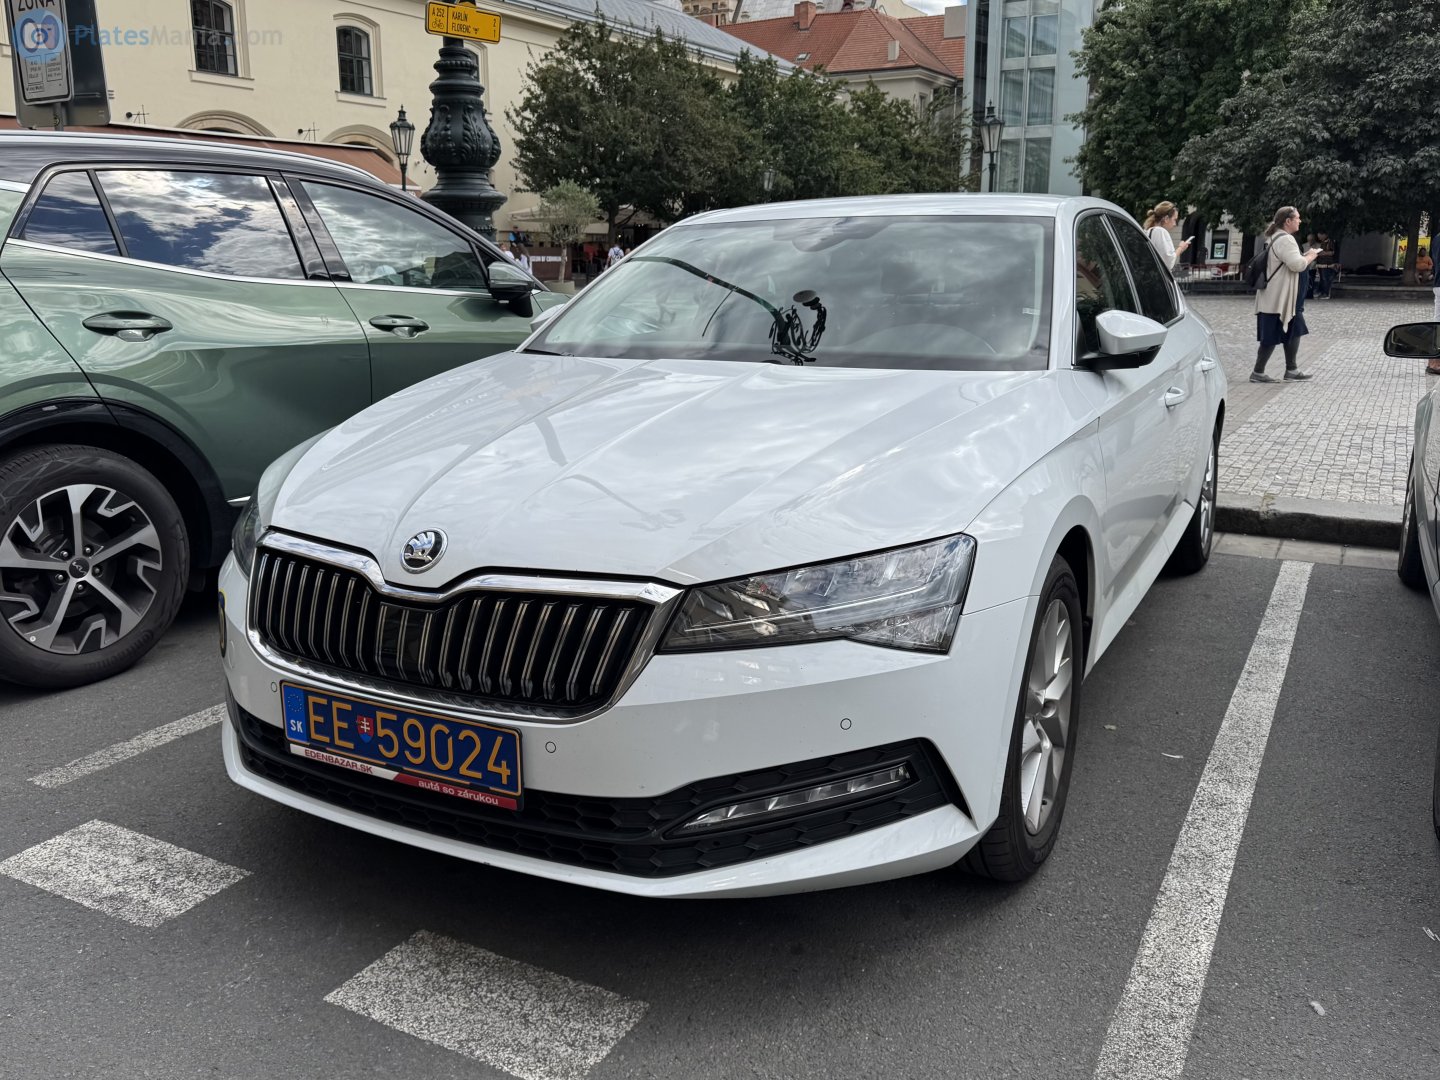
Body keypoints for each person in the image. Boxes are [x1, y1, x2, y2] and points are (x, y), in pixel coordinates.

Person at [1252, 205, 1321, 383]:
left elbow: (1289, 261)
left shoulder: (1275, 237)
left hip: (1279, 297)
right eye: (1297, 217)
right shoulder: (1286, 239)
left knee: (1292, 329)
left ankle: (1291, 369)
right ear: (1288, 221)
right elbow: (1297, 265)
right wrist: (1311, 256)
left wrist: (1303, 256)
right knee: (1272, 335)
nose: (1300, 220)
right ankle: (1259, 372)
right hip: (1280, 298)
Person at [1142, 201, 1192, 270]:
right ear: (1166, 219)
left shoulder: (1149, 231)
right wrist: (1181, 248)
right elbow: (1168, 262)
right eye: (1174, 219)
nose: (1175, 224)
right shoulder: (1160, 231)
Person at [1313, 231, 1339, 298]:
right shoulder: (1322, 242)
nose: (1319, 238)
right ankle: (1322, 292)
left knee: (1325, 279)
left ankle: (1326, 293)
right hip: (1321, 264)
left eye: (1320, 236)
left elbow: (1332, 252)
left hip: (1327, 264)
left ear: (1324, 234)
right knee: (1321, 279)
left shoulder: (1330, 242)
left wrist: (1322, 253)